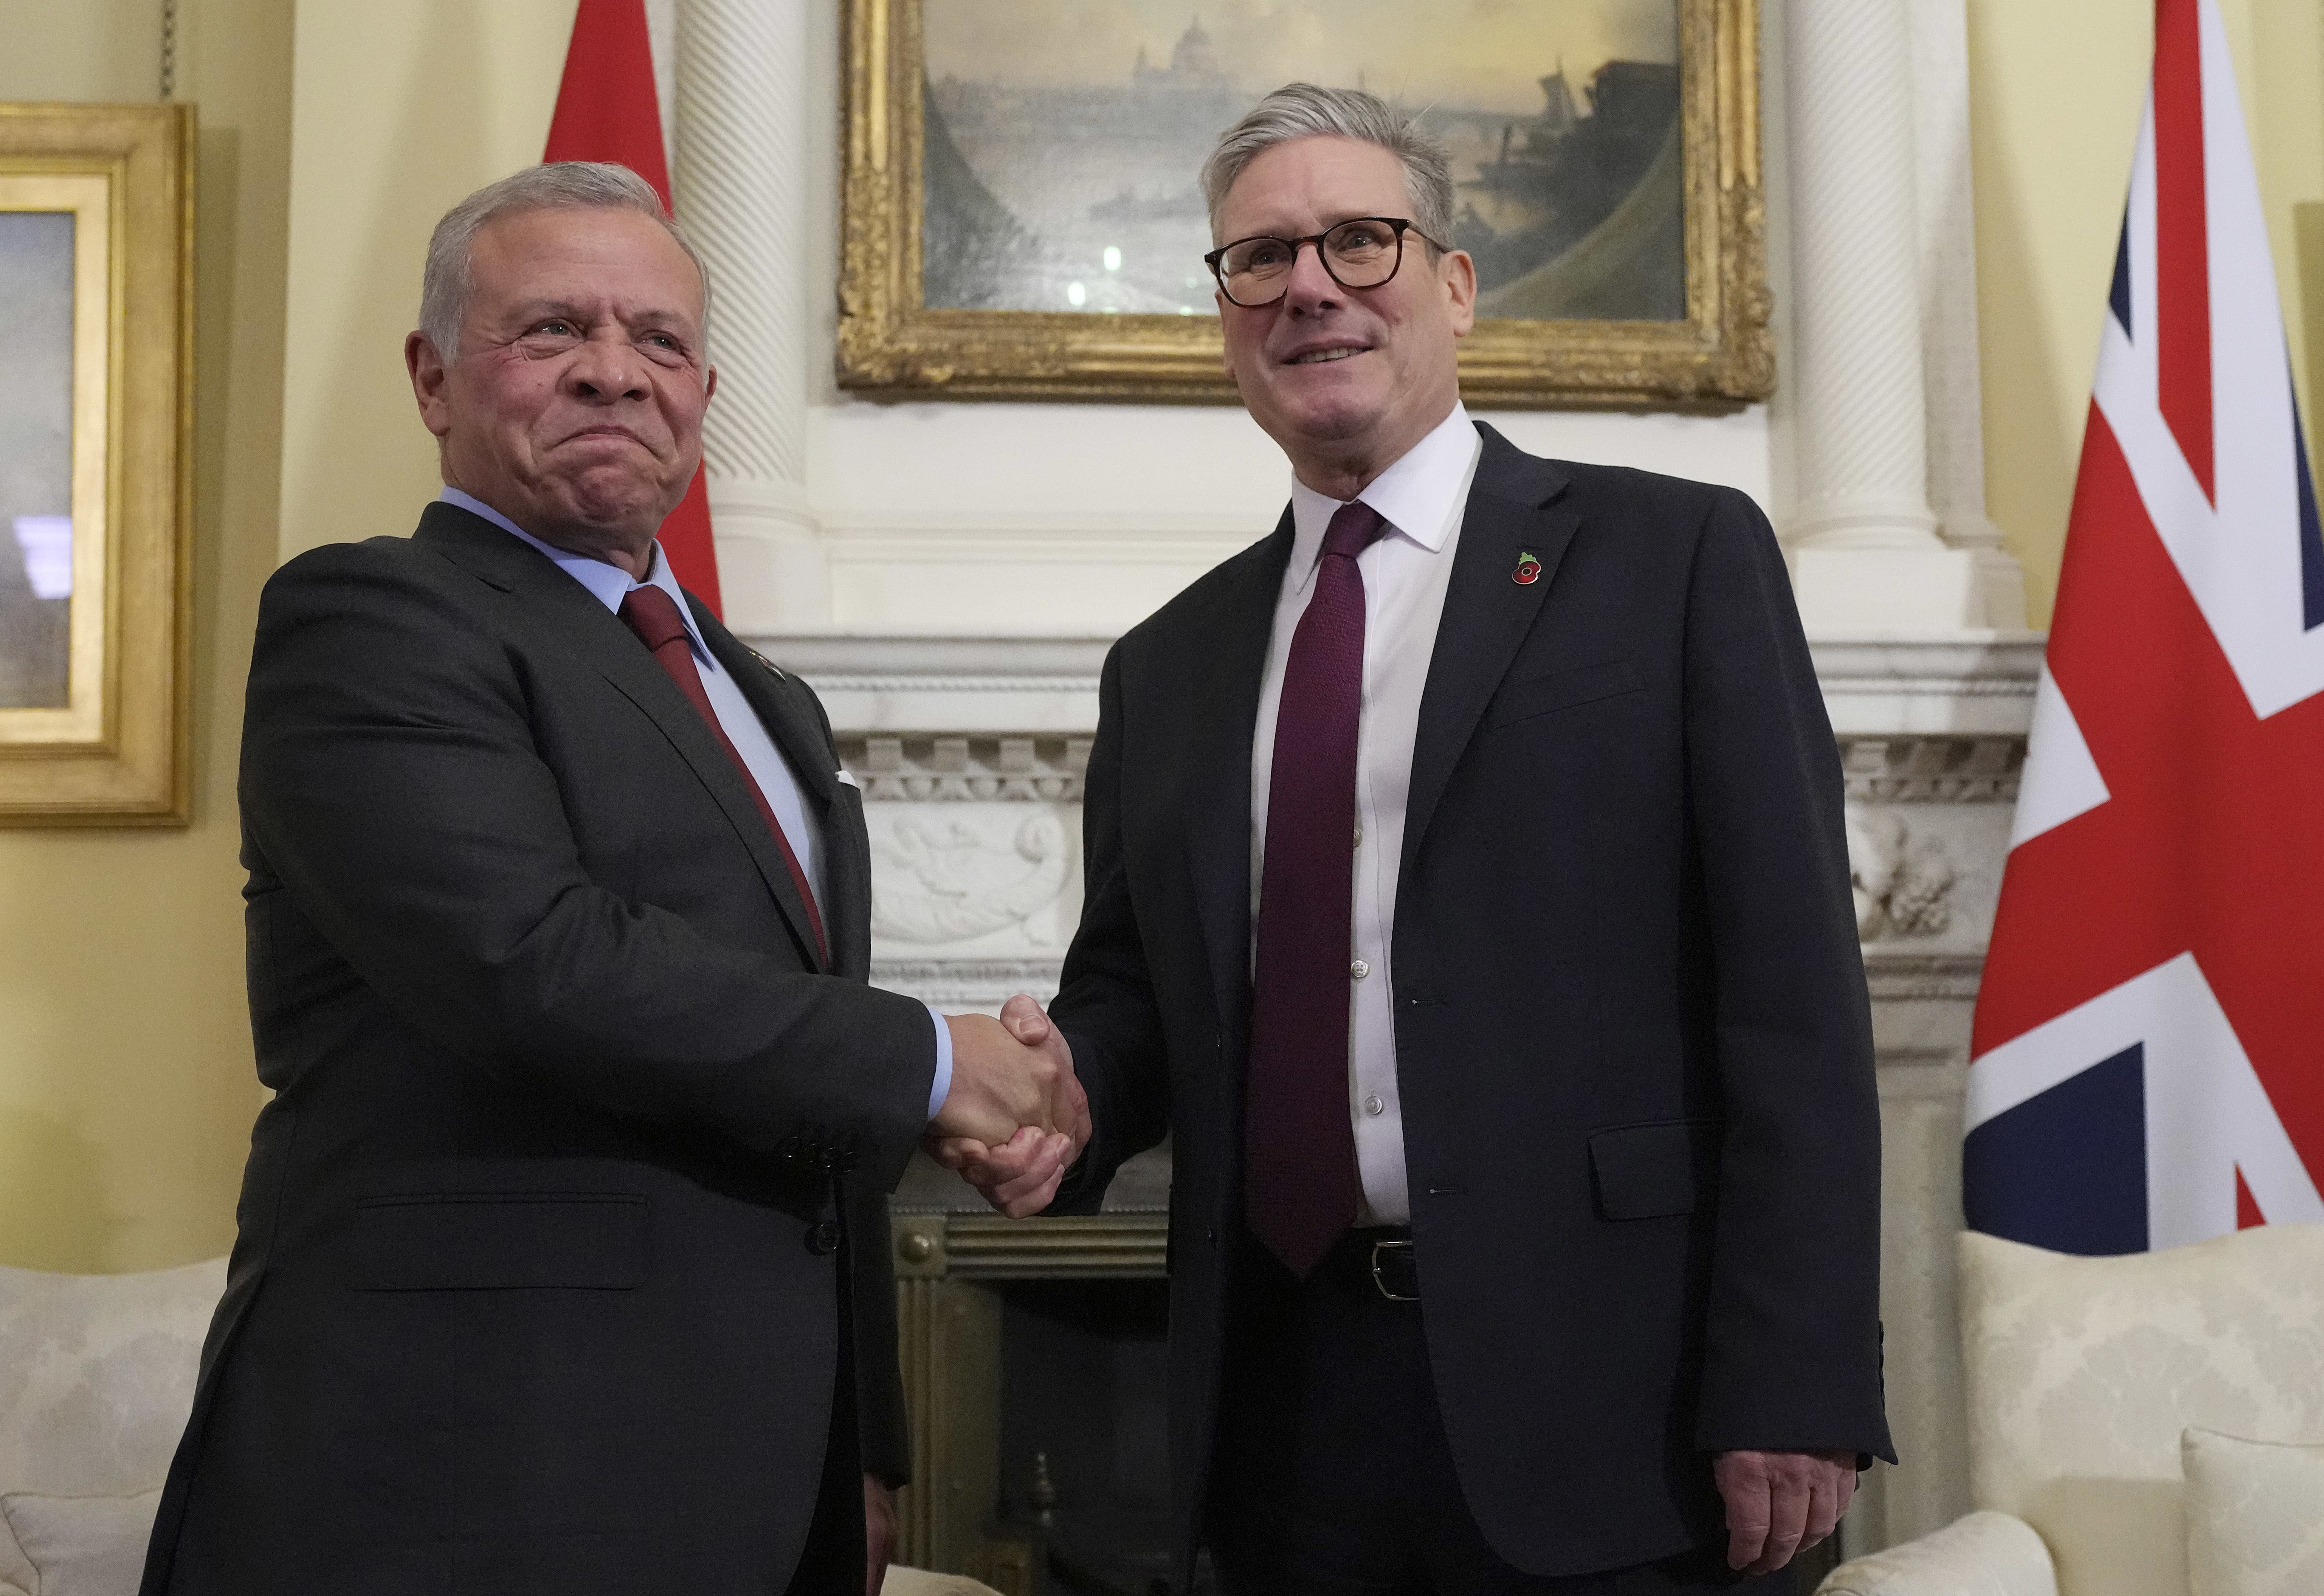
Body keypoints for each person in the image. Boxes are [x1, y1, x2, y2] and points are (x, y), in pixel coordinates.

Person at [942, 86, 1894, 1594]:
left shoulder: (1671, 560)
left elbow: (1789, 997)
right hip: (1285, 1414)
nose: (1308, 284)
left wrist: (1795, 1375)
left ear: (1452, 284)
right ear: (1225, 318)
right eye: (1258, 258)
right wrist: (1050, 1094)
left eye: (1358, 241)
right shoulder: (1168, 662)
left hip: (1617, 1411)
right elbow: (1138, 998)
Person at [140, 162, 1081, 1596]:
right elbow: (534, 962)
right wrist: (925, 1060)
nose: (614, 374)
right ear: (433, 375)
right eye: (550, 331)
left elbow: (805, 1100)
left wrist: (865, 1447)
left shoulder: (765, 698)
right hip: (462, 1460)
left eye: (657, 340)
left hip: (757, 1476)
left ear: (703, 388)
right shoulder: (373, 616)